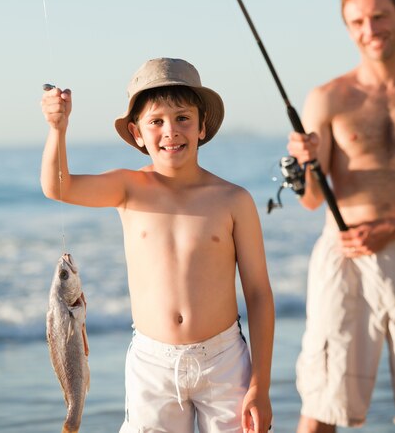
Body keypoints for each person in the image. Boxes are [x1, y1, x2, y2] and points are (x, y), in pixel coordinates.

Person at [41, 57, 274, 433]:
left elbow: (260, 294)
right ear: (137, 132)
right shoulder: (128, 188)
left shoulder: (234, 199)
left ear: (202, 126)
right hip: (153, 362)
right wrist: (57, 129)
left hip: (225, 358)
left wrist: (260, 385)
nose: (171, 131)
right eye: (156, 121)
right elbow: (57, 186)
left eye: (183, 118)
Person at [287, 0, 395, 432]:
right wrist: (303, 163)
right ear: (347, 28)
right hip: (346, 255)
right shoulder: (328, 97)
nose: (369, 28)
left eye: (380, 16)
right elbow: (312, 199)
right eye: (358, 21)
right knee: (323, 401)